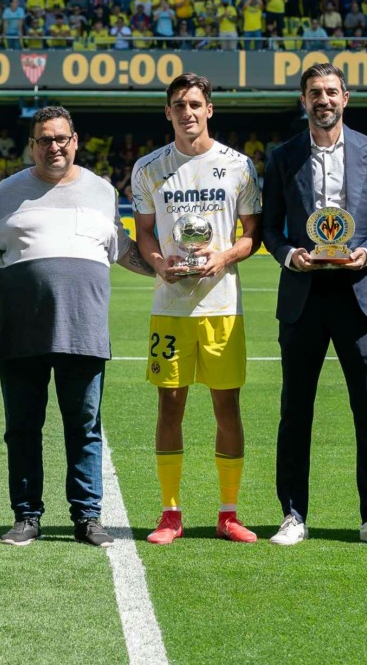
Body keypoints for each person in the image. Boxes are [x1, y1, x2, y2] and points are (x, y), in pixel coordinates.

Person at [0, 106, 156, 548]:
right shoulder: (4, 193)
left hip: (84, 331)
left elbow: (122, 250)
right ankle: (26, 515)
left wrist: (167, 268)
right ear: (32, 145)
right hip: (22, 334)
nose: (53, 147)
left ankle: (87, 517)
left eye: (61, 138)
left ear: (75, 140)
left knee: (84, 428)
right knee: (22, 429)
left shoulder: (101, 191)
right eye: (44, 139)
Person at [262, 63, 367, 547]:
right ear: (303, 100)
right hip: (302, 296)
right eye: (314, 92)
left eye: (331, 92)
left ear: (347, 98)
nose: (323, 100)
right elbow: (270, 228)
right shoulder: (282, 157)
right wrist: (288, 254)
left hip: (358, 295)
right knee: (295, 409)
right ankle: (293, 514)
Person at [127, 74, 263, 546]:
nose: (187, 112)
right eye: (178, 105)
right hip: (170, 307)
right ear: (168, 113)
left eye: (195, 104)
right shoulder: (148, 168)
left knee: (228, 405)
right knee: (170, 405)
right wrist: (159, 261)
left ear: (210, 109)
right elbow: (143, 231)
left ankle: (228, 513)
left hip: (223, 308)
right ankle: (170, 514)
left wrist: (224, 257)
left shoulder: (239, 166)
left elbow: (252, 232)